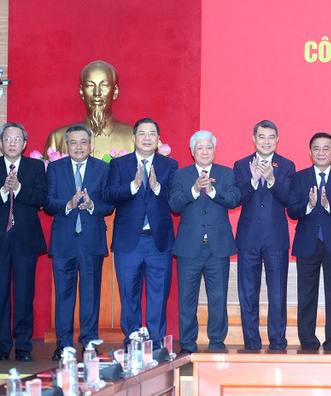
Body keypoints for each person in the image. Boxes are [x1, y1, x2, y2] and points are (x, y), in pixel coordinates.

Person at [104, 118, 179, 348]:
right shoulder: (119, 165)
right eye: (143, 134)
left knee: (158, 296)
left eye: (152, 134)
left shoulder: (170, 165)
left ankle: (156, 344)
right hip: (129, 242)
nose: (147, 138)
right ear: (134, 137)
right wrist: (133, 186)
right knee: (129, 295)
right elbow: (108, 195)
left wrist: (156, 187)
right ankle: (133, 342)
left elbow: (176, 200)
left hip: (159, 242)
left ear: (158, 139)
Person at [44, 125, 114, 361]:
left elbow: (109, 204)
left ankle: (89, 342)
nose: (78, 147)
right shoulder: (54, 168)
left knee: (90, 294)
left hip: (91, 240)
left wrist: (92, 205)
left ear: (90, 145)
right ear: (67, 145)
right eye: (73, 142)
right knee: (64, 295)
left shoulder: (103, 168)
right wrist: (69, 204)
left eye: (83, 142)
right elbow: (48, 202)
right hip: (63, 240)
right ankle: (63, 344)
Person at [169, 130, 240, 354]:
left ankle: (217, 343)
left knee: (218, 298)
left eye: (208, 147)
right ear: (192, 152)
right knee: (187, 300)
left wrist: (211, 191)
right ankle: (188, 345)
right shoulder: (181, 175)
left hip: (218, 247)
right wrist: (194, 190)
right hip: (189, 248)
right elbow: (174, 204)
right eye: (200, 148)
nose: (205, 151)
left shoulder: (226, 174)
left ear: (214, 150)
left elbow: (234, 199)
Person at [287, 132, 331, 351]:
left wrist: (326, 205)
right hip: (307, 242)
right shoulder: (299, 177)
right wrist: (309, 205)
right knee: (306, 294)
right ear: (310, 152)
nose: (321, 152)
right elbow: (292, 210)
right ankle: (308, 341)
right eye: (317, 148)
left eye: (326, 148)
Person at [233, 120, 295, 350]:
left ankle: (278, 341)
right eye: (262, 136)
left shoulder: (287, 166)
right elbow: (236, 199)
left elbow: (290, 200)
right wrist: (251, 180)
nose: (266, 141)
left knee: (277, 293)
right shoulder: (241, 165)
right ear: (254, 139)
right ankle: (251, 342)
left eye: (271, 137)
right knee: (248, 294)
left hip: (276, 239)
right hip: (248, 238)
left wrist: (271, 180)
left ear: (277, 140)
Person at [0, 123, 47, 362]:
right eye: (7, 139)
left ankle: (23, 346)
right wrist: (2, 191)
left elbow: (42, 198)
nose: (12, 143)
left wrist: (18, 189)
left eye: (17, 139)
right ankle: (1, 345)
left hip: (25, 239)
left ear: (25, 144)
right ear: (1, 143)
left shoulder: (36, 167)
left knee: (24, 293)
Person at [44, 60, 134, 158]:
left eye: (104, 85)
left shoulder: (134, 138)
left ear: (115, 91)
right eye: (90, 85)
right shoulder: (58, 139)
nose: (97, 93)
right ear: (82, 92)